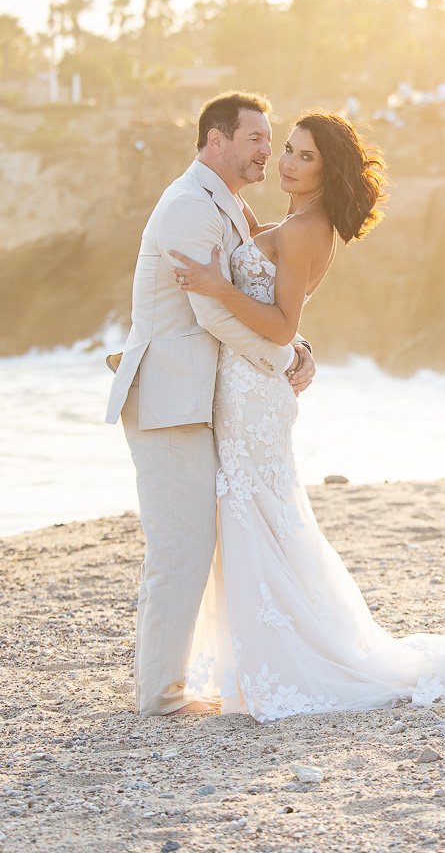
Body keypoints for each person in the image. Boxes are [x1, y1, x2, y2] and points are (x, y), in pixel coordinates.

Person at [168, 109, 445, 721]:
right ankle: (260, 660)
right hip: (246, 388)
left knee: (255, 514)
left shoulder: (306, 231)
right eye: (286, 151)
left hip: (255, 395)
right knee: (257, 515)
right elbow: (277, 309)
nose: (287, 163)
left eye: (303, 157)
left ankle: (281, 663)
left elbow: (281, 324)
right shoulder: (294, 222)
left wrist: (218, 288)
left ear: (328, 170)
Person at [105, 91, 317, 717]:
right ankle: (160, 696)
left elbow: (247, 300)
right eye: (256, 139)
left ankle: (171, 684)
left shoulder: (225, 204)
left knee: (196, 541)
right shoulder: (189, 208)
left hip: (198, 396)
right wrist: (281, 359)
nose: (266, 153)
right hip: (168, 396)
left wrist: (296, 341)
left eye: (270, 140)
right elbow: (210, 310)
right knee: (181, 545)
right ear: (217, 140)